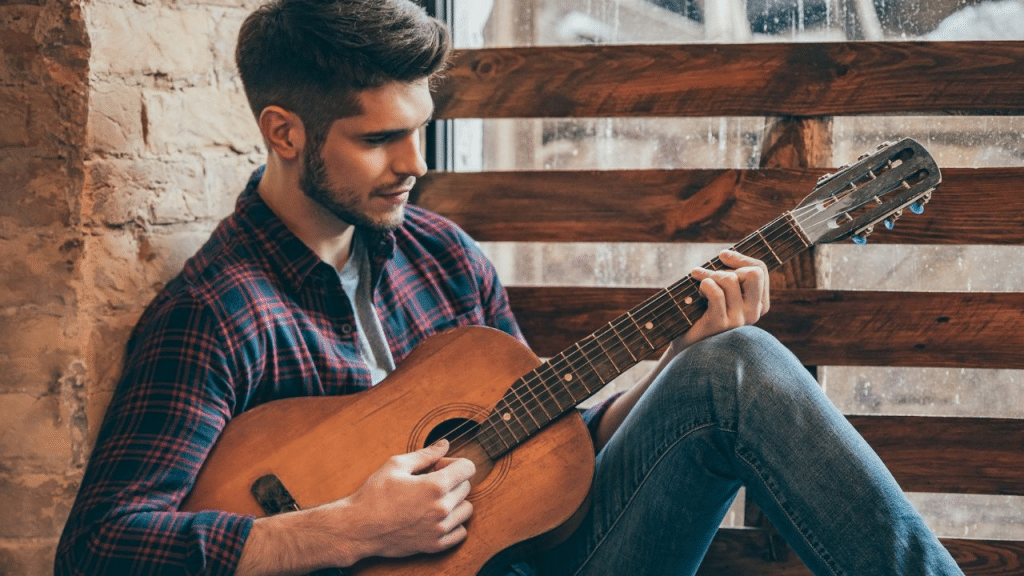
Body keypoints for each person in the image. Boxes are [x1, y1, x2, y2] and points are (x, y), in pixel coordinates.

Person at [55, 0, 965, 574]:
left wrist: (672, 363)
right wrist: (346, 531)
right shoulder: (216, 314)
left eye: (423, 129)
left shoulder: (444, 257)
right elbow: (100, 548)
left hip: (549, 560)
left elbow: (542, 448)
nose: (416, 165)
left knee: (738, 363)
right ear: (285, 133)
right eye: (379, 141)